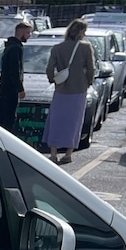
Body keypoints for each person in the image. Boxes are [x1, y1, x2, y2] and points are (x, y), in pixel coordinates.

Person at [43, 19, 96, 165]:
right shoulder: (86, 47)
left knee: (56, 121)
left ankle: (53, 153)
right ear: (80, 32)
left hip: (61, 89)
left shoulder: (57, 48)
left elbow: (49, 68)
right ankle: (68, 153)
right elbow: (90, 68)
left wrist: (53, 80)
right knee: (74, 122)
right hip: (78, 89)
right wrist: (89, 81)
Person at [0, 20, 32, 133]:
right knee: (9, 118)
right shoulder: (15, 48)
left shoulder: (10, 46)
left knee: (3, 117)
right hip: (10, 88)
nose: (29, 36)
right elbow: (14, 70)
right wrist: (20, 89)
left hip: (5, 86)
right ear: (21, 32)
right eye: (27, 33)